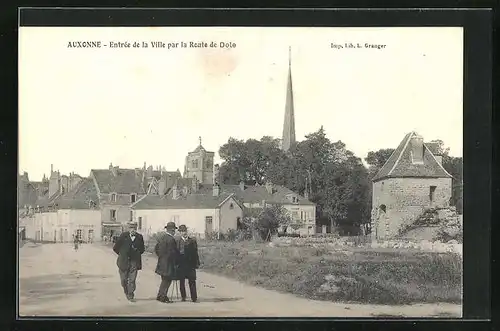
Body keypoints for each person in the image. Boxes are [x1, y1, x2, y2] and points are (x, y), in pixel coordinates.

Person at [113, 222, 145, 302]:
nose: (132, 229)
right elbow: (115, 248)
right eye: (131, 228)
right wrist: (122, 255)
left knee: (132, 280)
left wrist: (136, 253)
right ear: (128, 228)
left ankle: (131, 294)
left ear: (136, 228)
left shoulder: (139, 237)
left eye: (134, 228)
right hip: (123, 262)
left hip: (134, 262)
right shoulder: (123, 236)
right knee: (123, 280)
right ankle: (126, 291)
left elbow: (142, 249)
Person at [154, 221, 179, 303]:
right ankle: (163, 297)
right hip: (169, 263)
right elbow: (173, 253)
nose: (174, 232)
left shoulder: (162, 238)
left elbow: (156, 249)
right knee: (167, 280)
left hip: (161, 262)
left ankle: (160, 295)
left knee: (164, 280)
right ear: (172, 230)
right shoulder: (171, 240)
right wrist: (175, 262)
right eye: (174, 230)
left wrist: (161, 257)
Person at [175, 225, 200, 302]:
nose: (184, 233)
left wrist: (197, 263)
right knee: (182, 281)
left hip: (190, 264)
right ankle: (183, 296)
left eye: (185, 231)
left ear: (187, 231)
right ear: (180, 232)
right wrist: (175, 263)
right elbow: (175, 253)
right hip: (181, 264)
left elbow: (196, 253)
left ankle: (194, 297)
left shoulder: (192, 241)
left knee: (192, 281)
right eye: (182, 231)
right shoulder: (177, 241)